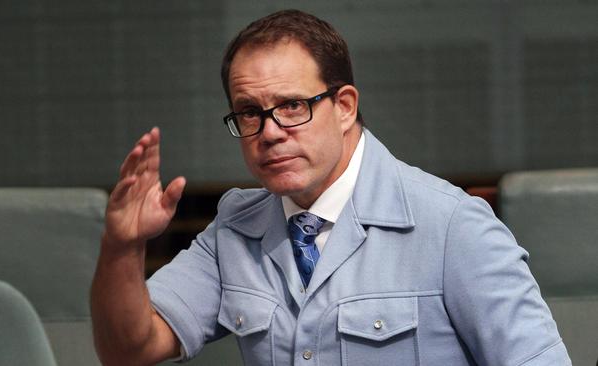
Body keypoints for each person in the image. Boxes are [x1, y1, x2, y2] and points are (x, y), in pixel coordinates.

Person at [91, 9, 571, 366]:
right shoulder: (234, 230)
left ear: (344, 106)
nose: (271, 130)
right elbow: (129, 349)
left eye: (294, 105)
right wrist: (122, 247)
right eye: (249, 111)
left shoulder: (451, 226)